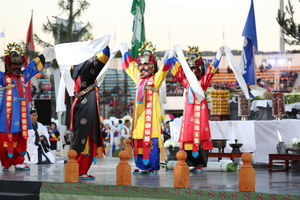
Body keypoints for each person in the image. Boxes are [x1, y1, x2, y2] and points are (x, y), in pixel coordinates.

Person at [120, 41, 173, 175]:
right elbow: (129, 66)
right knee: (138, 141)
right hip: (139, 119)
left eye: (146, 65)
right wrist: (124, 51)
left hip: (151, 118)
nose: (142, 68)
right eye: (141, 65)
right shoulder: (138, 78)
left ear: (152, 66)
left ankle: (152, 167)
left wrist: (170, 55)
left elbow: (164, 69)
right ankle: (141, 166)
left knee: (151, 142)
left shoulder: (155, 79)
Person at [0, 43, 54, 171]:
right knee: (4, 140)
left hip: (22, 115)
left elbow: (33, 66)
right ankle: (6, 163)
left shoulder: (24, 76)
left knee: (21, 138)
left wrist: (43, 55)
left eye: (19, 65)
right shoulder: (4, 77)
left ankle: (19, 162)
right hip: (7, 115)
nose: (17, 67)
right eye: (14, 65)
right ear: (8, 66)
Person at [169, 46, 221, 172]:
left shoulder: (203, 82)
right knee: (188, 135)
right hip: (189, 113)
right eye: (190, 68)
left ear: (200, 69)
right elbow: (176, 68)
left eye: (195, 68)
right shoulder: (186, 81)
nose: (192, 71)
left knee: (202, 134)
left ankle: (201, 163)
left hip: (201, 113)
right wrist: (171, 54)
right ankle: (190, 162)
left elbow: (211, 71)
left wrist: (218, 56)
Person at [69, 46, 110, 180]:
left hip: (80, 105)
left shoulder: (75, 68)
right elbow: (105, 54)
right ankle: (81, 170)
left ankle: (80, 169)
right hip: (85, 106)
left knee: (81, 137)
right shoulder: (86, 68)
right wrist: (100, 44)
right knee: (85, 138)